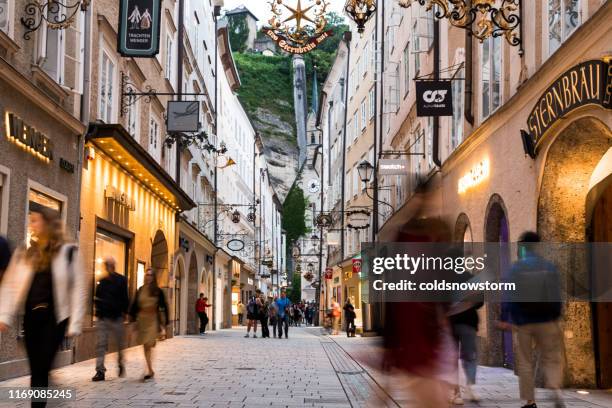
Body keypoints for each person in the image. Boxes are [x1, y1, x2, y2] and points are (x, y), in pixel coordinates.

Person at [0, 207, 87, 407]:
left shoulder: (69, 252)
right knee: (37, 369)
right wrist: (4, 315)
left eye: (35, 220)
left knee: (41, 366)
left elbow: (79, 288)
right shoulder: (27, 251)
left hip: (55, 318)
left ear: (48, 223)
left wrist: (75, 322)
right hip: (31, 318)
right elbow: (11, 285)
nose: (31, 225)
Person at [499, 231, 564, 408]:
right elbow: (555, 294)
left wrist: (506, 317)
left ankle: (530, 401)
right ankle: (554, 387)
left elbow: (508, 295)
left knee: (525, 362)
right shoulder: (548, 267)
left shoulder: (516, 268)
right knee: (552, 357)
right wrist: (556, 316)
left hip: (523, 322)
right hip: (547, 320)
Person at [92, 257, 129, 382]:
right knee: (101, 344)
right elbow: (97, 298)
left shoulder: (121, 280)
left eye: (109, 264)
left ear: (113, 265)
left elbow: (125, 297)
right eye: (106, 264)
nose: (108, 266)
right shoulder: (101, 282)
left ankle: (120, 363)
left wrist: (126, 313)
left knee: (120, 343)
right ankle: (100, 371)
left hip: (117, 317)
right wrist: (97, 312)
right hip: (103, 317)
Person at [129, 268, 169, 381]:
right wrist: (132, 319)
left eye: (151, 275)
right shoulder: (140, 289)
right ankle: (150, 370)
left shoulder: (158, 291)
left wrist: (164, 324)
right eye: (147, 275)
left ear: (154, 277)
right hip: (142, 320)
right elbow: (135, 305)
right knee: (146, 346)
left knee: (148, 344)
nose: (148, 277)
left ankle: (149, 369)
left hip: (152, 320)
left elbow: (164, 307)